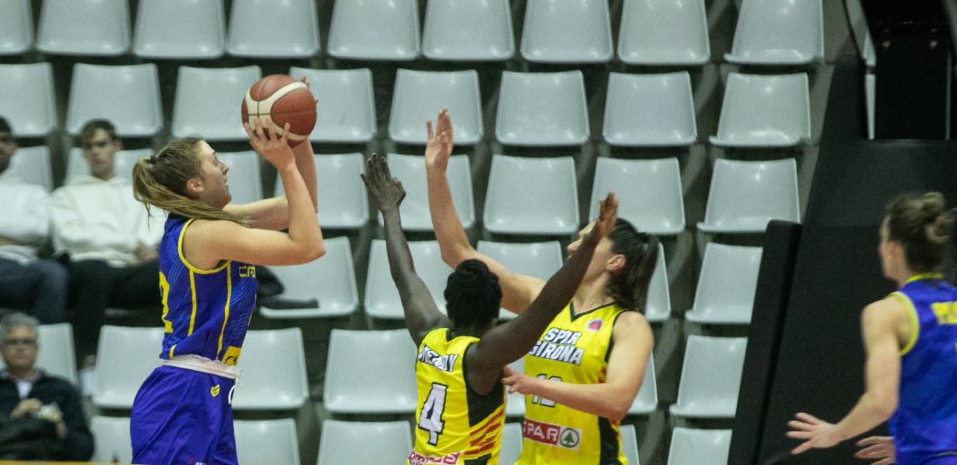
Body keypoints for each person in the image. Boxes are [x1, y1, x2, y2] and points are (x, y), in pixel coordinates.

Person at [424, 109, 658, 464]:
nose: (572, 247)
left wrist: (536, 386)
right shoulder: (541, 297)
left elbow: (618, 400)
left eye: (587, 241)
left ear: (615, 261)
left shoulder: (628, 324)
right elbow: (458, 252)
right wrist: (436, 173)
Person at [363, 154, 619, 464]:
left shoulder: (427, 332)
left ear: (449, 304)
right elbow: (547, 306)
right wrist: (591, 243)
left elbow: (404, 274)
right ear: (495, 314)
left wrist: (389, 210)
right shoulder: (482, 356)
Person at [128, 116, 324, 465]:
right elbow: (308, 246)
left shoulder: (214, 222)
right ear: (195, 185)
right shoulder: (207, 231)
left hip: (207, 389)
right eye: (215, 162)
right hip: (184, 395)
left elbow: (302, 208)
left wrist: (298, 141)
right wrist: (286, 165)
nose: (225, 165)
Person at [788, 192, 957, 464]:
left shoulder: (887, 313)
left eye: (881, 239)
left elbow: (881, 403)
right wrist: (916, 441)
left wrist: (836, 433)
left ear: (893, 248)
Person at [49, 119, 162, 388]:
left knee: (179, 267)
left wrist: (137, 248)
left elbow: (155, 227)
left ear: (116, 147)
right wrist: (131, 245)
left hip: (129, 275)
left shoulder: (140, 192)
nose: (95, 152)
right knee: (94, 268)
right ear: (83, 154)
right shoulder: (66, 195)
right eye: (89, 147)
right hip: (87, 275)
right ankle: (87, 363)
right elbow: (72, 237)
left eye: (101, 144)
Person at [0, 116, 67, 324]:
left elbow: (41, 231)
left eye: (4, 140)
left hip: (21, 268)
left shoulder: (34, 193)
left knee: (54, 274)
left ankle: (46, 350)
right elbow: (30, 234)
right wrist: (7, 239)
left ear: (14, 148)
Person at [0, 312, 93, 461]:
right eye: (13, 342)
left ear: (36, 348)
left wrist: (61, 431)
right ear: (0, 349)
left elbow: (85, 449)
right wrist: (13, 422)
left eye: (26, 342)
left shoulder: (62, 389)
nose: (20, 348)